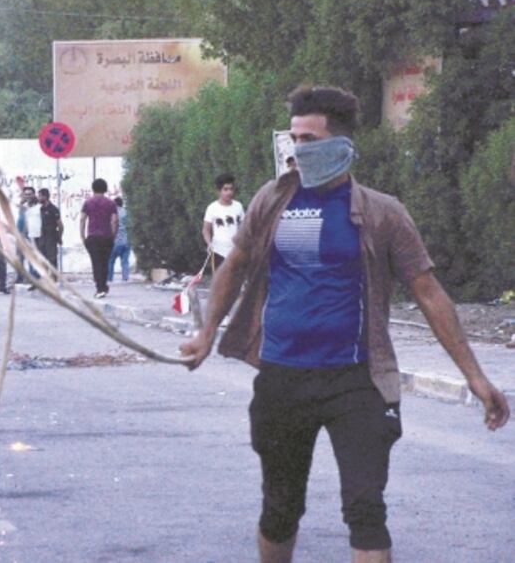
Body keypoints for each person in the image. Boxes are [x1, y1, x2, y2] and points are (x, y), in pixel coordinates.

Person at [179, 85, 510, 563]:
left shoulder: (382, 212)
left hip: (357, 381)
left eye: (310, 140)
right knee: (280, 510)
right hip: (282, 376)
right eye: (294, 139)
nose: (299, 150)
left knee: (365, 509)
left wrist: (475, 377)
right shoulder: (272, 200)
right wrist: (206, 334)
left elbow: (428, 292)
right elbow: (237, 264)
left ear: (340, 145)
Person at [79, 178, 118, 299]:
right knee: (105, 262)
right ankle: (103, 286)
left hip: (93, 237)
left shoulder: (88, 203)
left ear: (93, 188)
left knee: (96, 262)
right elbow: (114, 221)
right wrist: (113, 235)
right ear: (105, 188)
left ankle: (100, 288)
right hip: (106, 236)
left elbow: (82, 219)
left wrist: (82, 236)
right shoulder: (111, 203)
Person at [202, 173, 245, 273]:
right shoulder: (212, 208)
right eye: (225, 189)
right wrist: (209, 243)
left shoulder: (238, 206)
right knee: (219, 281)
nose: (229, 192)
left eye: (231, 189)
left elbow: (244, 226)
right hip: (218, 252)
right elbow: (206, 230)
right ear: (218, 191)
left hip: (235, 251)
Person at [36, 188, 63, 276]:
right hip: (42, 237)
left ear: (45, 197)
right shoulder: (40, 209)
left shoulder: (53, 209)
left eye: (40, 196)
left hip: (51, 237)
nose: (38, 198)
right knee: (42, 259)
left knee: (52, 259)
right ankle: (45, 277)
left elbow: (60, 225)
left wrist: (59, 237)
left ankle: (54, 278)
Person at [107, 196, 130, 282]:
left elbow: (111, 225)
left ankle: (109, 278)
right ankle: (125, 278)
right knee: (125, 261)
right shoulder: (126, 212)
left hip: (115, 240)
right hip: (126, 240)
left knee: (110, 261)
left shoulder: (112, 213)